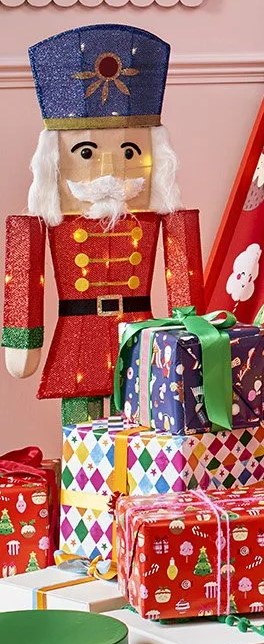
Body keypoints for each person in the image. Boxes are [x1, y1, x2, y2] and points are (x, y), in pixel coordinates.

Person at [3, 24, 202, 422]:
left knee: (142, 423)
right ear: (54, 161)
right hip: (77, 335)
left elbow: (184, 280)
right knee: (81, 431)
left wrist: (194, 336)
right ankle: (81, 466)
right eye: (87, 153)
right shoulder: (41, 222)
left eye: (129, 152)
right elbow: (23, 275)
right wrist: (22, 340)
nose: (110, 168)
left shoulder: (167, 219)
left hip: (141, 335)